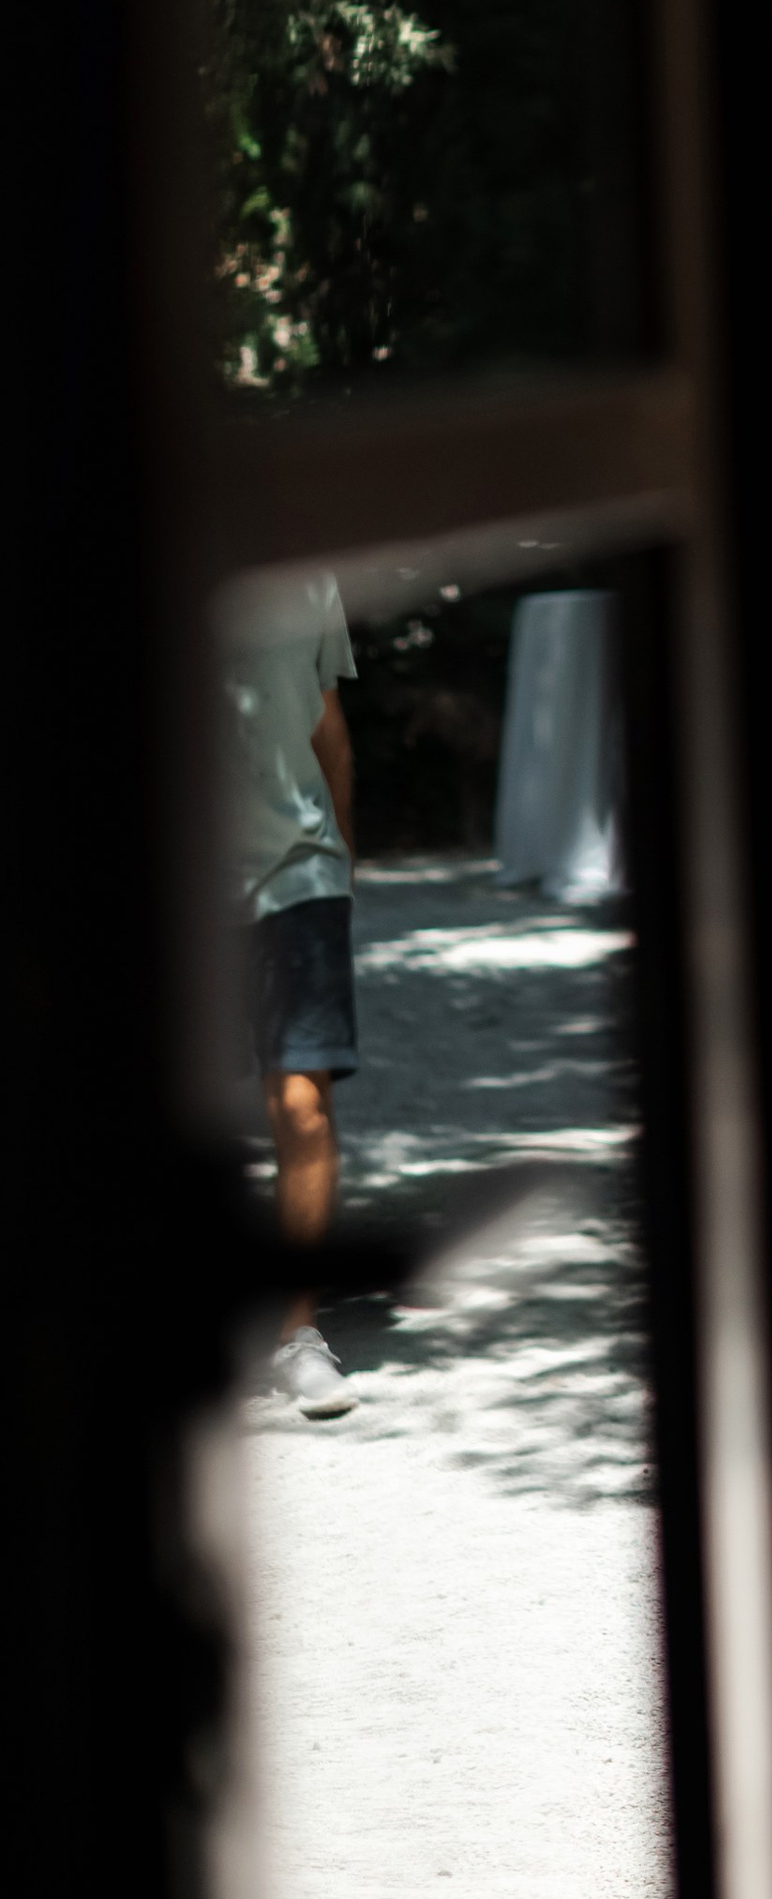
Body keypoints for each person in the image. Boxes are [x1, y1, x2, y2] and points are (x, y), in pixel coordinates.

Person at [224, 569, 362, 1416]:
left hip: (299, 874)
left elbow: (326, 724)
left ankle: (297, 1333)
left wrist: (344, 860)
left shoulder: (308, 571)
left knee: (302, 1108)